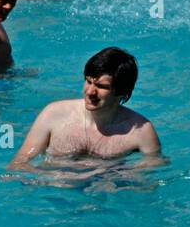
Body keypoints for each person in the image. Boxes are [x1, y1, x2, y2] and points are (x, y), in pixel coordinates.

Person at [11, 47, 162, 165]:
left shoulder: (140, 131)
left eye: (101, 86)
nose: (90, 91)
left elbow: (152, 174)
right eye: (88, 81)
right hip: (54, 192)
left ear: (122, 92)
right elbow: (20, 163)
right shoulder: (54, 114)